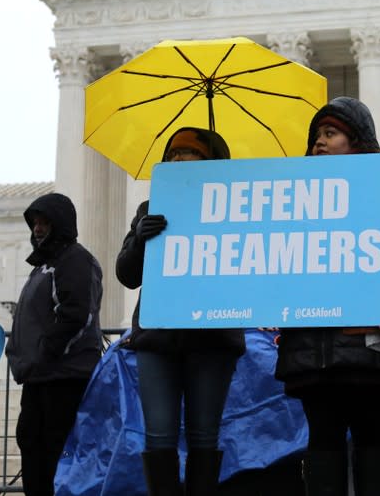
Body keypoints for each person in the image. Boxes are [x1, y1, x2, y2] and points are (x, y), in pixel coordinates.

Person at [273, 96, 380, 496]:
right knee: (323, 437)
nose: (318, 142)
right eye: (315, 136)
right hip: (311, 344)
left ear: (356, 141)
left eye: (329, 132)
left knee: (371, 431)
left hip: (367, 341)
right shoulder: (292, 197)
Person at [116, 127, 246, 496]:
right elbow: (126, 274)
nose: (176, 160)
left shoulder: (236, 209)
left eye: (187, 153)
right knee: (159, 436)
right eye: (172, 154)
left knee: (205, 436)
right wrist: (140, 238)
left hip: (213, 337)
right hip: (158, 337)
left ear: (211, 162)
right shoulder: (150, 208)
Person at [5, 192, 103, 496]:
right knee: (32, 443)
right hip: (40, 377)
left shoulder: (74, 259)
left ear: (60, 223)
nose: (37, 228)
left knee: (54, 452)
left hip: (64, 377)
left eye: (44, 222)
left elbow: (76, 315)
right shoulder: (44, 265)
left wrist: (45, 354)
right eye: (34, 222)